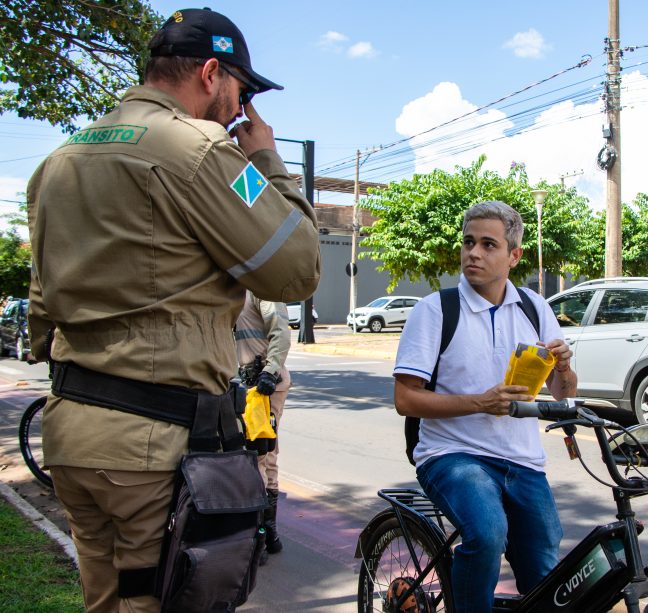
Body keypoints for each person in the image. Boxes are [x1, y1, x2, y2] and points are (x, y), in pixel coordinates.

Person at [26, 8, 320, 612]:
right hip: (149, 448)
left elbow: (40, 311)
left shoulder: (61, 159)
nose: (242, 111)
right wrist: (267, 164)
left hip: (73, 432)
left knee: (105, 600)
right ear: (211, 73)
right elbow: (296, 267)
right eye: (241, 91)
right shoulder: (201, 152)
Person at [393, 200, 578, 612]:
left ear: (514, 256)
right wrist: (481, 402)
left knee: (545, 569)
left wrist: (563, 366)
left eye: (488, 245)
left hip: (523, 460)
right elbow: (405, 399)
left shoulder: (535, 308)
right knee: (487, 532)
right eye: (468, 242)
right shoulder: (435, 310)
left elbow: (563, 391)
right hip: (452, 455)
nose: (473, 253)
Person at [235, 290, 292, 558]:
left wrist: (269, 372)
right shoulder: (231, 284)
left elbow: (280, 331)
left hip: (263, 388)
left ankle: (260, 534)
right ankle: (267, 532)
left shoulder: (262, 285)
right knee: (261, 457)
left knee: (260, 456)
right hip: (241, 387)